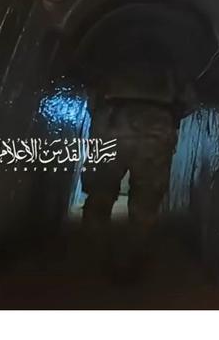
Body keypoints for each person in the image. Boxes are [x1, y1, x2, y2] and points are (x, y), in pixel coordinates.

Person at [81, 57, 195, 277]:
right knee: (146, 201)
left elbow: (92, 99)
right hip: (156, 126)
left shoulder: (111, 60)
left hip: (111, 122)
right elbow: (189, 103)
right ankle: (130, 262)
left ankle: (94, 259)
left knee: (99, 194)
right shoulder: (172, 65)